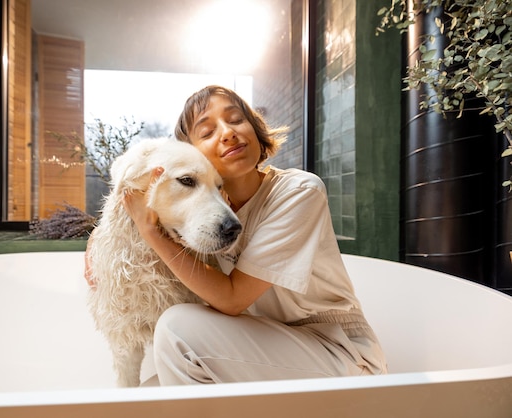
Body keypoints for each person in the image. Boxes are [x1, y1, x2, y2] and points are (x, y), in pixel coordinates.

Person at [87, 85, 387, 385]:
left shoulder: (298, 191)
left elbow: (231, 299)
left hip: (337, 353)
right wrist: (99, 243)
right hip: (259, 346)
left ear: (255, 129)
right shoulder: (205, 215)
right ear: (192, 154)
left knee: (176, 328)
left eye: (236, 119)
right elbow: (134, 215)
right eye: (206, 132)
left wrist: (149, 231)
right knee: (147, 396)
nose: (228, 132)